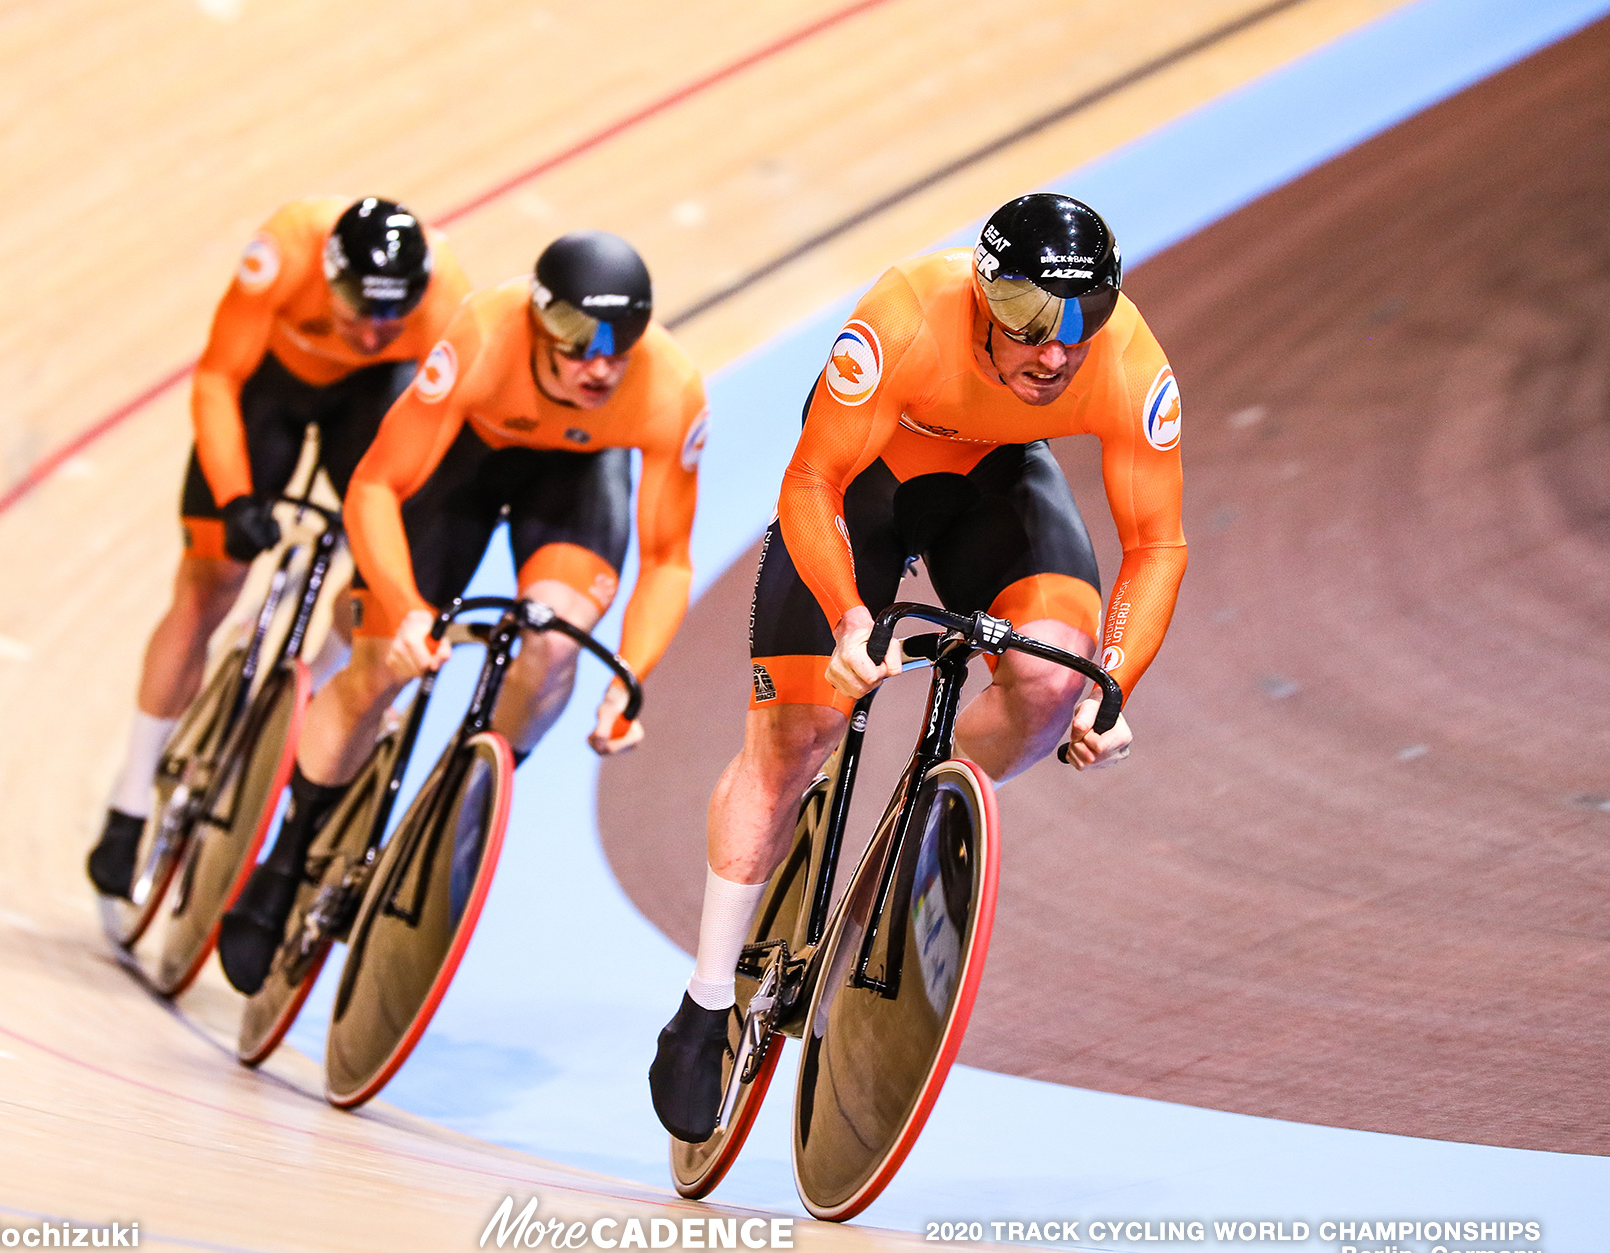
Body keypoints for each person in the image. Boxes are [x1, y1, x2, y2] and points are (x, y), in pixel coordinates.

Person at [648, 193, 1188, 1142]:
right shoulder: (906, 311)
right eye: (1029, 322)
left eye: (1082, 322)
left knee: (1056, 681)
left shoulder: (1129, 359)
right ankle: (700, 1006)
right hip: (860, 487)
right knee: (797, 735)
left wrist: (1113, 683)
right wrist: (852, 619)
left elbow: (1157, 546)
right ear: (984, 292)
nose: (1056, 353)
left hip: (994, 481)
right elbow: (813, 480)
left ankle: (905, 842)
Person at [215, 230, 709, 994]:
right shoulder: (483, 335)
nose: (602, 365)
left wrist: (630, 681)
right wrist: (409, 609)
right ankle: (292, 846)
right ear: (540, 322)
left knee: (553, 649)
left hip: (574, 485)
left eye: (622, 344)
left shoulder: (671, 388)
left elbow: (668, 558)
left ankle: (470, 801)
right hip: (466, 466)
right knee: (380, 661)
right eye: (579, 344)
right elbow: (375, 485)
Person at [86, 196, 470, 899]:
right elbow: (217, 378)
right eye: (359, 307)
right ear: (327, 276)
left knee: (397, 550)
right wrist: (234, 499)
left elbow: (433, 440)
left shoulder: (446, 294)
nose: (374, 327)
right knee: (209, 583)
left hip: (371, 401)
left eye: (393, 314)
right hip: (273, 392)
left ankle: (318, 675)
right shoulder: (286, 250)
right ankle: (131, 798)